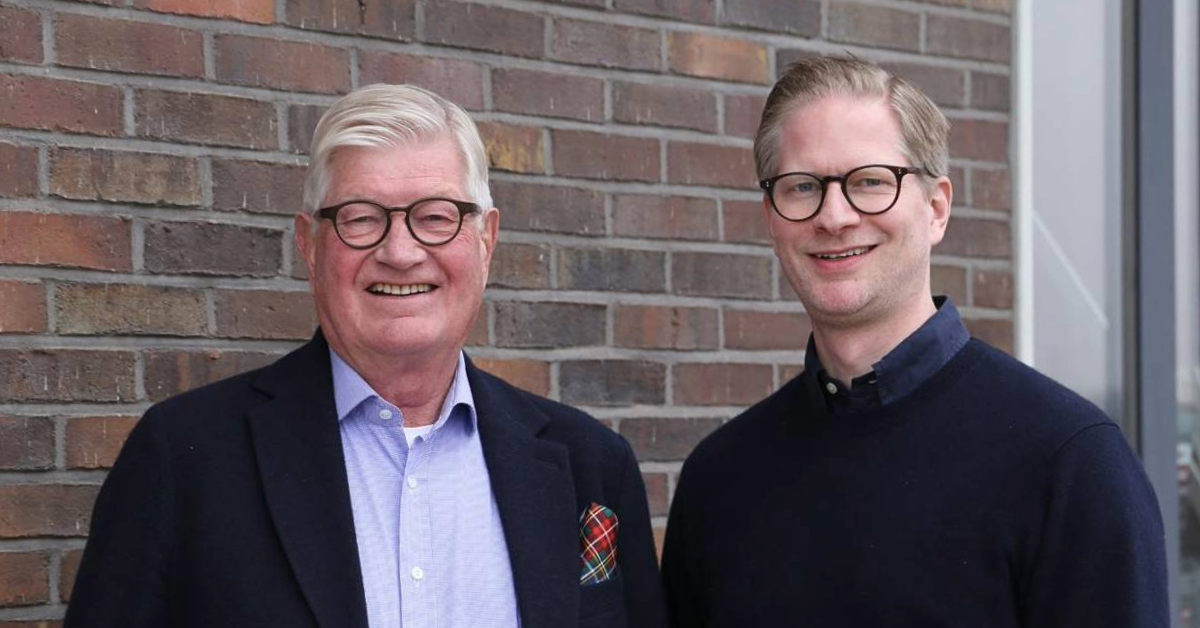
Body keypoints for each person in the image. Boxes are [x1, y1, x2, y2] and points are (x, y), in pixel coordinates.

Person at [65, 84, 668, 628]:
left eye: (436, 217)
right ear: (309, 244)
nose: (401, 252)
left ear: (485, 241)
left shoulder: (592, 465)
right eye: (360, 218)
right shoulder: (183, 458)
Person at [660, 56, 1168, 627]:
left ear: (936, 208)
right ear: (771, 218)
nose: (834, 215)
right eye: (802, 186)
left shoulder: (1068, 461)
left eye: (870, 182)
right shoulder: (721, 480)